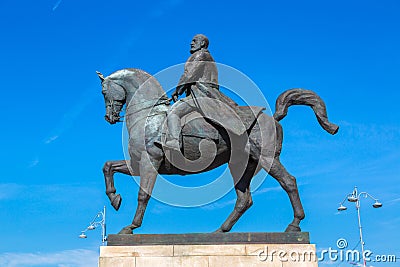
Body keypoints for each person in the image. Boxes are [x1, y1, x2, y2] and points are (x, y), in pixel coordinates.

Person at [159, 34, 249, 152]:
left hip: (201, 94)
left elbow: (189, 75)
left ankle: (174, 141)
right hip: (202, 93)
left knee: (173, 112)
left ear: (202, 44)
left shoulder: (201, 55)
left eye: (194, 40)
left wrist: (177, 91)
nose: (191, 43)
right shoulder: (205, 56)